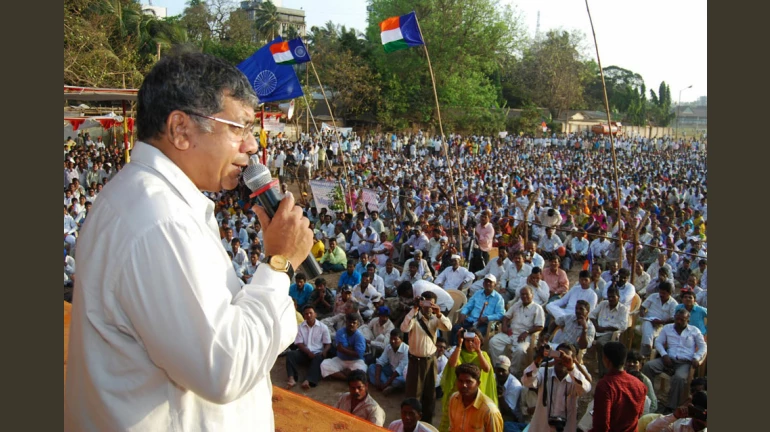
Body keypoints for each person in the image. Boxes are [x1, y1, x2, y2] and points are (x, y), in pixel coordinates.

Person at [64, 51, 313, 431]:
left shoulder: (141, 199)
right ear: (180, 129)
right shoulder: (161, 221)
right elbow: (224, 368)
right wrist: (279, 264)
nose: (251, 146)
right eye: (239, 128)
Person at [401, 290, 452, 425]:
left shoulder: (436, 319)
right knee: (414, 394)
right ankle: (411, 422)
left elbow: (448, 327)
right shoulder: (414, 318)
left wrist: (439, 313)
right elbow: (404, 328)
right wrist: (414, 309)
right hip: (415, 360)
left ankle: (426, 424)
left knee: (430, 395)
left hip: (430, 360)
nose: (428, 306)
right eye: (425, 303)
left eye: (431, 304)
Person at [642, 309, 707, 413]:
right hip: (668, 359)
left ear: (688, 320)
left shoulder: (694, 331)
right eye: (677, 319)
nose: (679, 322)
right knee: (648, 366)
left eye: (682, 320)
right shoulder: (668, 328)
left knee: (679, 378)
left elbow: (703, 346)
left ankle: (672, 407)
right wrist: (664, 355)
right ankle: (648, 397)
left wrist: (697, 357)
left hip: (684, 362)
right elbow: (658, 342)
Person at [521, 343, 592, 432]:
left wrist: (571, 368)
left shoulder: (575, 377)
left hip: (565, 428)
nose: (561, 360)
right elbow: (526, 381)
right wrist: (537, 360)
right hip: (541, 427)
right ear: (554, 356)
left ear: (573, 360)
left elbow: (585, 389)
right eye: (559, 355)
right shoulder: (544, 372)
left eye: (565, 357)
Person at [439, 329, 497, 431]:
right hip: (458, 392)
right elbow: (453, 364)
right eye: (467, 340)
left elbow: (486, 369)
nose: (470, 343)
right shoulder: (460, 353)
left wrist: (478, 350)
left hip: (475, 394)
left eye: (473, 340)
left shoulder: (483, 354)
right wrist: (459, 344)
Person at [487, 286, 545, 376]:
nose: (524, 296)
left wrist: (527, 332)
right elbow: (506, 317)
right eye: (522, 294)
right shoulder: (517, 305)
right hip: (511, 332)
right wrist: (505, 326)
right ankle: (500, 366)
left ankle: (513, 372)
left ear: (532, 295)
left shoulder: (537, 308)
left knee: (520, 350)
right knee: (494, 341)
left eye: (527, 294)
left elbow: (540, 326)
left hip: (526, 335)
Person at [589, 342, 647, 432]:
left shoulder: (605, 385)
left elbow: (601, 425)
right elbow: (638, 414)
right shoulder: (640, 384)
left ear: (606, 360)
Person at [446, 363, 504, 432]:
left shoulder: (490, 411)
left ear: (478, 383)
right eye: (460, 381)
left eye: (469, 382)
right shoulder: (454, 399)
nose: (464, 385)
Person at [286, 305, 332, 390]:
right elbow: (299, 343)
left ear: (315, 314)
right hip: (304, 352)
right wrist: (308, 352)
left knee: (318, 358)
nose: (309, 315)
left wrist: (324, 352)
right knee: (290, 354)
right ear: (304, 316)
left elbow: (328, 343)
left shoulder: (323, 327)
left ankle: (308, 380)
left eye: (311, 313)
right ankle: (291, 378)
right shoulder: (300, 327)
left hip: (317, 353)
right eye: (306, 314)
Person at [451, 274, 506, 344]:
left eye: (490, 282)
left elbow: (501, 314)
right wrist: (463, 313)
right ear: (483, 283)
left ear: (494, 285)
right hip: (471, 320)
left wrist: (487, 318)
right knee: (456, 328)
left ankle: (467, 351)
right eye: (486, 281)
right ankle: (453, 349)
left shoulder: (498, 298)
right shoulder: (478, 293)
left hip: (484, 324)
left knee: (473, 334)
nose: (488, 283)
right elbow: (468, 305)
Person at [589, 286, 630, 377]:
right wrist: (596, 326)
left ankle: (604, 372)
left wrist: (604, 328)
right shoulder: (603, 304)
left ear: (618, 297)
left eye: (613, 297)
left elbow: (623, 326)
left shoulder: (623, 309)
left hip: (609, 333)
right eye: (609, 297)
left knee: (602, 344)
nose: (610, 299)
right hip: (596, 329)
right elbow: (592, 315)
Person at [320, 313, 367, 380]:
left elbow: (359, 354)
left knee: (362, 370)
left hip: (355, 361)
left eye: (354, 323)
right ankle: (347, 378)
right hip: (340, 359)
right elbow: (339, 349)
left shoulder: (360, 336)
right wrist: (352, 349)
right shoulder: (340, 332)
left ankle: (341, 374)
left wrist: (343, 349)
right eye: (349, 322)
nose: (351, 324)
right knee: (324, 364)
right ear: (346, 322)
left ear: (357, 324)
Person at [640, 281, 679, 358]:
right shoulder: (653, 296)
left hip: (662, 325)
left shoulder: (674, 304)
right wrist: (643, 313)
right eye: (660, 292)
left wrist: (661, 322)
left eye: (663, 293)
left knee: (648, 333)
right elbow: (643, 307)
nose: (661, 295)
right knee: (647, 325)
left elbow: (673, 319)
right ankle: (648, 348)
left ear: (669, 293)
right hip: (649, 321)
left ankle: (645, 353)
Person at [368, 329, 410, 395]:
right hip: (390, 370)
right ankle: (385, 385)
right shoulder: (388, 347)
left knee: (400, 381)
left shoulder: (406, 350)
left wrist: (386, 383)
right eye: (391, 338)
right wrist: (377, 379)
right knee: (372, 367)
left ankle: (386, 384)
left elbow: (399, 370)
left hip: (400, 375)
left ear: (401, 340)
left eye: (395, 339)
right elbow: (380, 362)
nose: (392, 341)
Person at [495, 355, 524, 422]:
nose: (500, 373)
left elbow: (508, 411)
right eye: (498, 370)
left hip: (511, 417)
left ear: (509, 370)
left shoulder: (515, 385)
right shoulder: (493, 378)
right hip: (496, 411)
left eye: (503, 370)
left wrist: (500, 396)